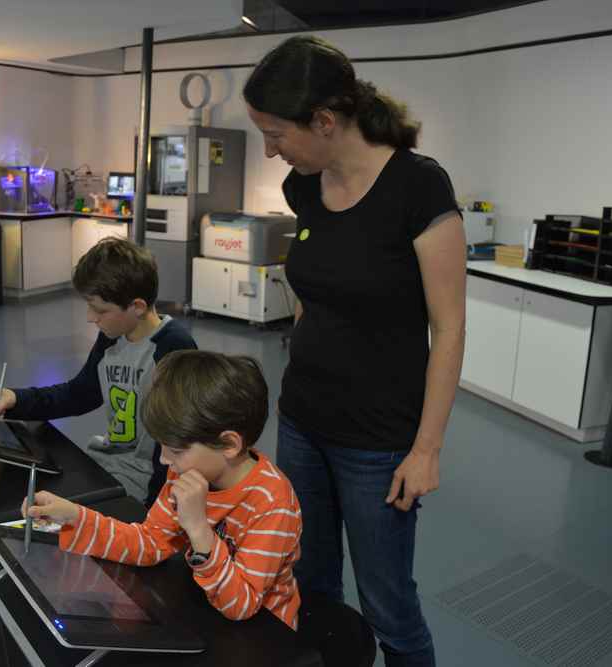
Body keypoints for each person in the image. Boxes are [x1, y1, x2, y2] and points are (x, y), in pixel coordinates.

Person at [243, 36, 467, 666]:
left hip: (379, 442)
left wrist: (425, 450)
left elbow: (449, 328)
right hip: (304, 424)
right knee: (310, 584)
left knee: (388, 602)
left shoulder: (418, 187)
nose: (269, 149)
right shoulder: (303, 187)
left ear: (325, 120)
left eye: (275, 133)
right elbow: (314, 294)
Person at [22, 351, 303, 629]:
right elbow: (149, 544)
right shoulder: (186, 472)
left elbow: (242, 605)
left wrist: (199, 530)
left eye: (176, 450)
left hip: (264, 630)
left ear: (229, 444)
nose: (163, 460)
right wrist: (75, 517)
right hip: (206, 605)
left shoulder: (272, 502)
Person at [0, 237, 197, 507]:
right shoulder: (113, 336)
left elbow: (181, 444)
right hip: (105, 465)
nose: (89, 317)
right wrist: (16, 399)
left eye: (99, 310)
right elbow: (80, 394)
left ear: (138, 307)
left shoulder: (174, 348)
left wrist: (153, 514)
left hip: (141, 486)